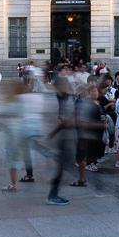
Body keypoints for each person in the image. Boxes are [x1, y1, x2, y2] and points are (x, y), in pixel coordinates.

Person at [45, 77, 75, 205]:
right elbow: (56, 120)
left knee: (63, 167)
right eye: (63, 84)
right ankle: (52, 195)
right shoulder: (53, 100)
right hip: (59, 139)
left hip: (66, 137)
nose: (66, 86)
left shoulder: (68, 98)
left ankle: (54, 193)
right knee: (60, 168)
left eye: (67, 84)